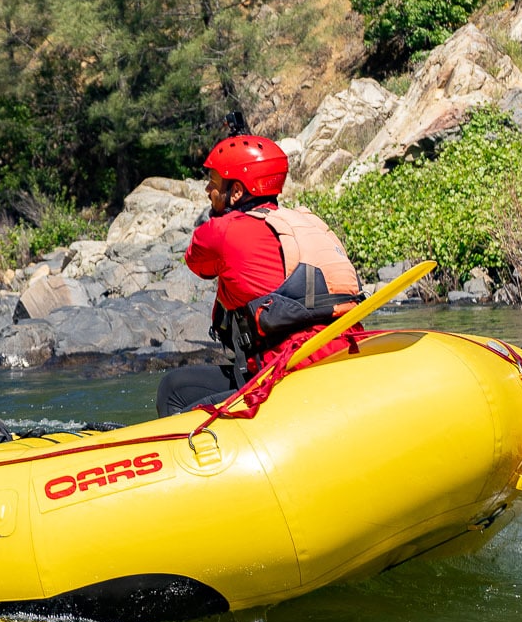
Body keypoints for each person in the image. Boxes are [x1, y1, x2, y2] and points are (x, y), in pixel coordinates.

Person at [155, 135, 367, 417]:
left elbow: (198, 264)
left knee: (174, 394)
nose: (208, 190)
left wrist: (219, 216)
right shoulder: (307, 222)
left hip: (285, 371)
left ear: (237, 192)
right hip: (341, 351)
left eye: (214, 183)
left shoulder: (222, 230)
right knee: (175, 385)